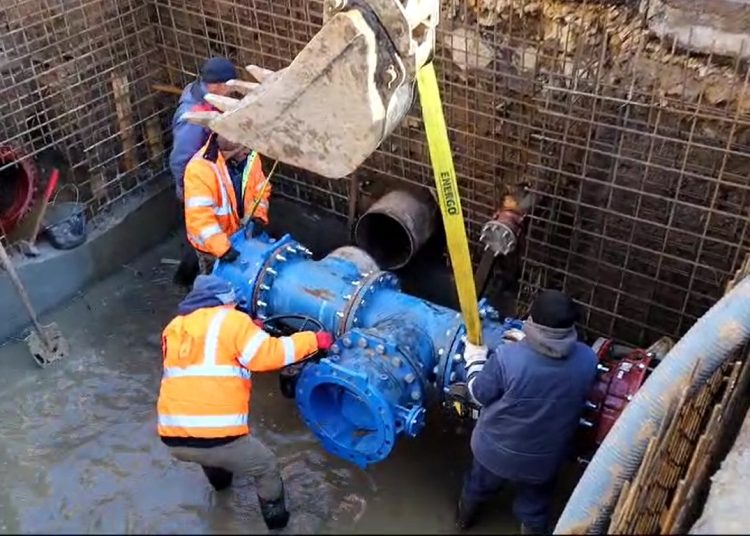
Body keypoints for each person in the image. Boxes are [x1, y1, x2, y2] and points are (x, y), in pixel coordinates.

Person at [157, 274, 334, 529]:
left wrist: (248, 331)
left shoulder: (174, 328)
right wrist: (314, 340)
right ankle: (278, 525)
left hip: (174, 438)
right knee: (266, 466)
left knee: (209, 452)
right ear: (222, 301)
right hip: (219, 438)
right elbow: (269, 355)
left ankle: (221, 492)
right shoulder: (232, 321)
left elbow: (205, 356)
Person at [456, 289, 598, 534]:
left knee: (477, 487)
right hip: (543, 460)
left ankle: (463, 520)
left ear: (532, 320)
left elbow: (478, 394)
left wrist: (476, 359)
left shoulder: (507, 358)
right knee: (535, 509)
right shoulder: (588, 359)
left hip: (494, 452)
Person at [170, 57, 238, 288]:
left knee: (202, 233)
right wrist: (186, 188)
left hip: (208, 174)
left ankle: (187, 278)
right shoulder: (193, 117)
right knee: (202, 237)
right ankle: (190, 282)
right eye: (230, 84)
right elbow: (181, 157)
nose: (232, 89)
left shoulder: (202, 95)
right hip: (199, 180)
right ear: (218, 85)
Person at [183, 132, 271, 274]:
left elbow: (262, 189)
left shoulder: (250, 158)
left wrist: (258, 216)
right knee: (215, 285)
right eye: (244, 147)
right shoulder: (199, 170)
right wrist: (222, 249)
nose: (249, 151)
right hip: (213, 250)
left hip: (241, 237)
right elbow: (200, 219)